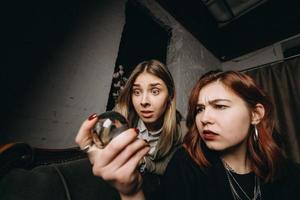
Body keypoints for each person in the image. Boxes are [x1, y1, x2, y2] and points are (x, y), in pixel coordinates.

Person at [81, 70, 300, 200]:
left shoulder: (287, 173)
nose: (205, 118)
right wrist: (130, 192)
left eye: (220, 106)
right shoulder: (186, 164)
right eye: (199, 109)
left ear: (256, 114)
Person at [75, 59, 185, 198]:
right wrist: (91, 149)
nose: (143, 101)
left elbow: (171, 168)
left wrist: (143, 162)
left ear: (170, 95)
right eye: (137, 92)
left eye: (155, 91)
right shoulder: (120, 117)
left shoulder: (182, 130)